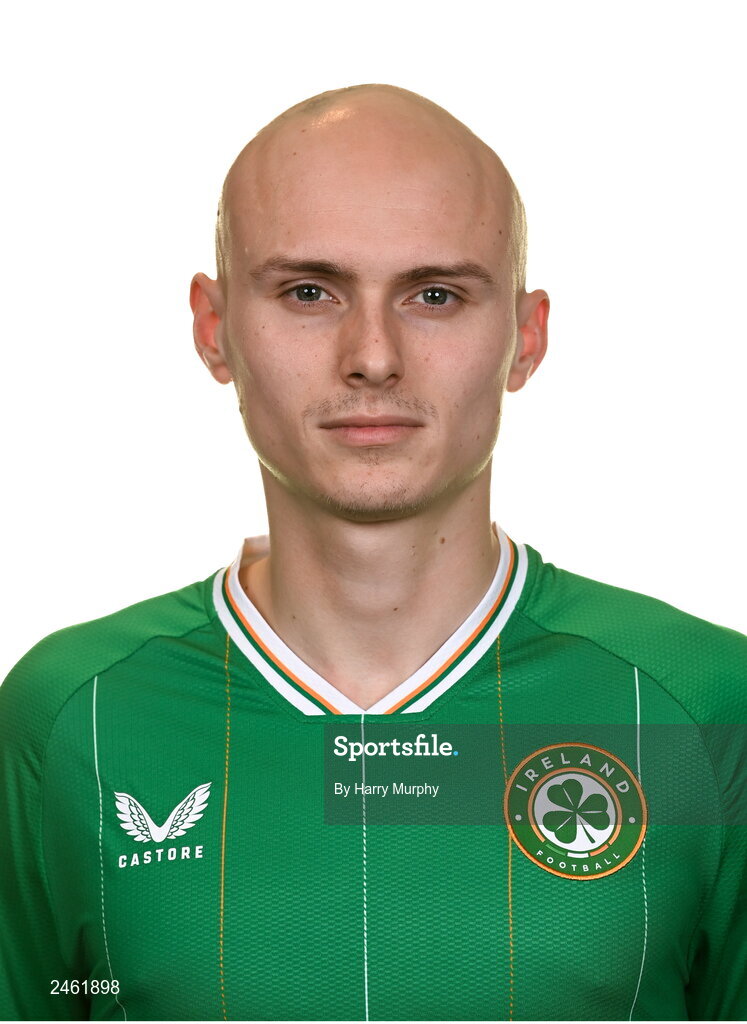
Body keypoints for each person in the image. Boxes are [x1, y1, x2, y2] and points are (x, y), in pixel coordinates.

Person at [0, 84, 744, 1023]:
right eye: (309, 292)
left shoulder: (696, 708)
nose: (373, 356)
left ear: (524, 335)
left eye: (435, 295)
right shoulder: (74, 718)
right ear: (213, 326)